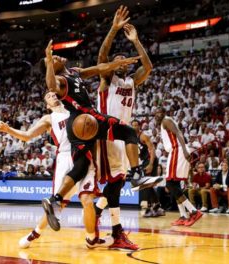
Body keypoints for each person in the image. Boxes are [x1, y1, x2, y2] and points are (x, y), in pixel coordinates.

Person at [41, 35, 162, 231]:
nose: (58, 57)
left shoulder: (75, 72)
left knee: (81, 165)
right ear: (51, 68)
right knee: (129, 132)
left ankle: (55, 199)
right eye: (54, 59)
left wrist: (120, 62)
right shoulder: (61, 80)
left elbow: (99, 68)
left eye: (56, 57)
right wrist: (48, 59)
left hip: (83, 124)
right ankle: (136, 175)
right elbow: (51, 85)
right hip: (86, 120)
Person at [0, 91, 112, 248]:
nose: (53, 96)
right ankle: (34, 233)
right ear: (47, 105)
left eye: (54, 94)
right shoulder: (48, 119)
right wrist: (9, 130)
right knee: (57, 205)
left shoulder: (75, 110)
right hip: (65, 158)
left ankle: (91, 239)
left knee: (87, 200)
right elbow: (28, 135)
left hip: (84, 155)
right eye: (49, 96)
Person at [94, 6, 160, 251]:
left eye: (123, 60)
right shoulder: (106, 78)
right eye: (117, 60)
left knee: (116, 184)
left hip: (124, 138)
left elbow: (149, 67)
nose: (120, 62)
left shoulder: (132, 81)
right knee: (117, 182)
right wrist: (114, 29)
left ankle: (97, 210)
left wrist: (136, 41)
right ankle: (117, 232)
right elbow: (102, 58)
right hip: (108, 134)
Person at [155, 109, 203, 226]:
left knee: (170, 184)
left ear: (164, 113)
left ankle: (193, 211)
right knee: (174, 185)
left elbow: (178, 133)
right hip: (175, 152)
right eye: (156, 113)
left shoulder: (166, 121)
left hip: (178, 151)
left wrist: (185, 150)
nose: (158, 115)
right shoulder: (163, 124)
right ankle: (183, 216)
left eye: (160, 112)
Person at [131, 120, 164, 217]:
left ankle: (148, 207)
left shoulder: (143, 136)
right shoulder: (132, 138)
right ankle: (156, 205)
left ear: (139, 126)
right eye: (132, 125)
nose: (134, 127)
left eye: (136, 125)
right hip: (143, 163)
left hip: (151, 161)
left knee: (146, 184)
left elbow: (152, 149)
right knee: (143, 184)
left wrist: (151, 164)